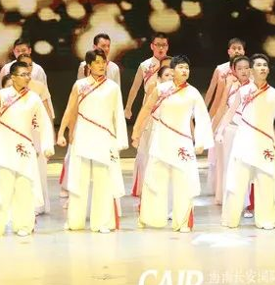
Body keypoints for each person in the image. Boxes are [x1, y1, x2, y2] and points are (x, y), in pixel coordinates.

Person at [131, 56, 213, 232]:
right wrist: (136, 130)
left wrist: (200, 141)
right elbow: (147, 109)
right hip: (161, 139)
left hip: (182, 142)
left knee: (184, 182)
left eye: (187, 68)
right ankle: (149, 218)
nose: (185, 71)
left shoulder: (193, 93)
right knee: (154, 180)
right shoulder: (161, 89)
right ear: (173, 70)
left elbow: (202, 117)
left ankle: (182, 222)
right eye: (181, 67)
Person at [218, 54, 275, 230]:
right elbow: (231, 112)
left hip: (265, 143)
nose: (262, 68)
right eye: (258, 65)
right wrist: (220, 130)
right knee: (237, 182)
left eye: (265, 65)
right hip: (244, 141)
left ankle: (266, 219)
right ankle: (230, 219)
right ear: (252, 70)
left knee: (265, 182)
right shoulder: (243, 91)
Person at [0, 61, 54, 236]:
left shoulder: (34, 98)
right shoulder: (2, 95)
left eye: (28, 74)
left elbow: (44, 122)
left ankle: (24, 225)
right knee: (1, 187)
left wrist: (47, 145)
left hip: (25, 147)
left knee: (24, 187)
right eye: (23, 75)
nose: (27, 78)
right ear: (13, 77)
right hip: (4, 145)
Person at [57, 48, 128, 233]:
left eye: (103, 62)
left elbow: (118, 115)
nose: (101, 65)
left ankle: (101, 222)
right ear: (88, 65)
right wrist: (61, 132)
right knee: (79, 180)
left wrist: (120, 139)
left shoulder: (112, 87)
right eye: (97, 62)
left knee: (103, 180)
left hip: (104, 136)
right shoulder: (80, 85)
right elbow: (70, 109)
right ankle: (75, 221)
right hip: (82, 134)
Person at [208, 55, 252, 207]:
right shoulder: (230, 86)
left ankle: (246, 201)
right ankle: (229, 199)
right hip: (230, 130)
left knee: (247, 166)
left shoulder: (255, 87)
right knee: (228, 165)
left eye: (246, 68)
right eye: (239, 68)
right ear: (233, 70)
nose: (243, 71)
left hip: (248, 131)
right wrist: (212, 130)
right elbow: (221, 109)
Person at [16, 53, 55, 215]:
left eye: (31, 65)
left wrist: (50, 136)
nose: (29, 68)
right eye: (25, 65)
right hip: (18, 132)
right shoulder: (11, 86)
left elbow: (47, 112)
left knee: (39, 168)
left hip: (37, 132)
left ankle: (38, 204)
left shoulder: (39, 87)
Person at [130, 65, 173, 197]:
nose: (170, 78)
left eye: (172, 75)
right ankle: (148, 191)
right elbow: (146, 110)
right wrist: (137, 133)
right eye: (166, 75)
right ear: (159, 78)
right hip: (154, 128)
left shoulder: (179, 91)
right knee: (151, 160)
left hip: (171, 130)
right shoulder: (155, 88)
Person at [124, 33, 169, 120]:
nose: (161, 48)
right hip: (149, 103)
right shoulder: (144, 65)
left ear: (167, 47)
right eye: (157, 45)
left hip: (168, 103)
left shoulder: (173, 64)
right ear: (152, 46)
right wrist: (128, 108)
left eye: (164, 45)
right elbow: (135, 88)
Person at [204, 38, 246, 114]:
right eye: (234, 48)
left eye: (239, 48)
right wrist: (203, 110)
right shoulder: (220, 69)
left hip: (243, 112)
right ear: (229, 51)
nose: (237, 51)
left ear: (243, 52)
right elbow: (211, 91)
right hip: (222, 111)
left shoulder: (249, 71)